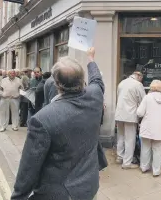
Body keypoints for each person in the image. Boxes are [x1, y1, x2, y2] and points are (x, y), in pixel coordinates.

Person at [11, 47, 104, 200]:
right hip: (89, 187)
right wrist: (91, 59)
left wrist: (18, 196)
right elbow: (97, 80)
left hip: (59, 194)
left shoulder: (42, 119)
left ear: (57, 84)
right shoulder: (95, 96)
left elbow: (29, 167)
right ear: (82, 80)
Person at [137, 80, 161, 177]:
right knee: (157, 150)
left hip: (147, 126)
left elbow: (139, 113)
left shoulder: (147, 98)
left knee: (145, 148)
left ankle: (144, 167)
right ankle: (156, 170)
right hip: (159, 127)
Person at [115, 71, 146, 169]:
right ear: (138, 76)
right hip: (130, 115)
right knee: (130, 139)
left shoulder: (121, 83)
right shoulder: (138, 84)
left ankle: (119, 157)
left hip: (119, 113)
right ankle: (127, 163)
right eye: (141, 78)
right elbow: (143, 100)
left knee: (120, 136)